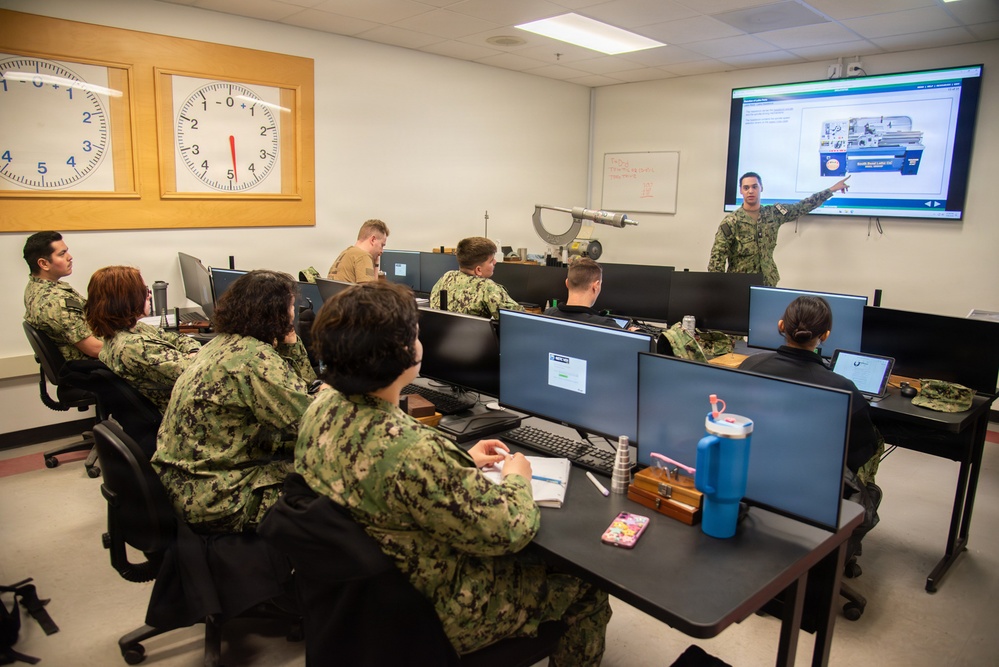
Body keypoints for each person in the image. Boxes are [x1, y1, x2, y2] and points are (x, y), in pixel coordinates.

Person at [295, 281, 610, 663]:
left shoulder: (322, 405)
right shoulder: (413, 451)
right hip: (432, 610)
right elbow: (509, 530)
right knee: (587, 586)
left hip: (361, 599)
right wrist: (516, 477)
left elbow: (384, 464)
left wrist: (457, 460)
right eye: (415, 334)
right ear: (401, 354)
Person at [151, 270, 318, 533]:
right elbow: (312, 425)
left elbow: (299, 393)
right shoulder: (255, 361)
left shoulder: (220, 345)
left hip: (188, 486)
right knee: (334, 477)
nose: (294, 314)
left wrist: (289, 342)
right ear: (277, 314)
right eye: (291, 308)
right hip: (221, 502)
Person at [738, 295, 879, 475]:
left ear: (781, 325)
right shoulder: (843, 388)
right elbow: (862, 450)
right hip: (811, 481)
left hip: (750, 468)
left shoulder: (750, 365)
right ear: (825, 335)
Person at [83, 266, 201, 412]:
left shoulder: (131, 329)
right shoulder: (134, 347)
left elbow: (175, 338)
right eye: (144, 292)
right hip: (184, 413)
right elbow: (197, 372)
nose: (149, 296)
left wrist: (193, 350)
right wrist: (194, 356)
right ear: (126, 300)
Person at [707, 172, 851, 287]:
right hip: (739, 285)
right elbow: (717, 257)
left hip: (767, 283)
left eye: (754, 186)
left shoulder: (773, 213)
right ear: (741, 191)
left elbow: (801, 207)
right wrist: (720, 289)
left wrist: (831, 190)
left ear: (761, 188)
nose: (750, 191)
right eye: (746, 188)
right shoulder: (732, 221)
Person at [23, 231, 102, 361]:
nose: (69, 257)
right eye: (62, 254)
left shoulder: (36, 287)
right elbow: (94, 349)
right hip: (91, 367)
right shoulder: (56, 301)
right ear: (43, 264)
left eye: (66, 251)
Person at [429, 237, 523, 319]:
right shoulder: (487, 287)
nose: (495, 262)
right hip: (475, 338)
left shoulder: (446, 277)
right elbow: (519, 319)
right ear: (478, 270)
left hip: (443, 338)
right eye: (491, 261)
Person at [543, 257, 633, 329]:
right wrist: (636, 332)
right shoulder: (607, 326)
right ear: (596, 286)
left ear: (567, 283)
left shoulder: (549, 314)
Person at [327, 219, 389, 283]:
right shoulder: (363, 256)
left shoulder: (347, 252)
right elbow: (370, 291)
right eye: (382, 245)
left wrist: (376, 264)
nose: (382, 251)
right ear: (373, 240)